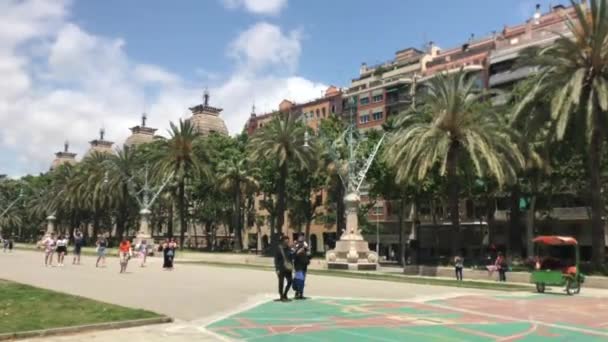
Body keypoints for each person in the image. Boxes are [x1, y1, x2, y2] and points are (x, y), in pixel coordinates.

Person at [274, 235, 293, 302]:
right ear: (283, 241)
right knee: (281, 283)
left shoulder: (289, 248)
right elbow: (276, 259)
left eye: (288, 240)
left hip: (288, 268)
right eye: (286, 240)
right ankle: (281, 296)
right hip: (281, 268)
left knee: (290, 281)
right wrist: (277, 269)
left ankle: (285, 294)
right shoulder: (279, 248)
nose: (287, 241)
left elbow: (291, 258)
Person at [292, 233, 311, 300]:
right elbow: (293, 255)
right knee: (299, 279)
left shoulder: (305, 245)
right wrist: (298, 251)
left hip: (304, 265)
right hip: (298, 265)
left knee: (302, 280)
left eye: (302, 236)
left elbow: (309, 255)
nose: (301, 238)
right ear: (298, 237)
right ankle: (297, 292)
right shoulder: (296, 245)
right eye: (300, 236)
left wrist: (308, 254)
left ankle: (301, 293)